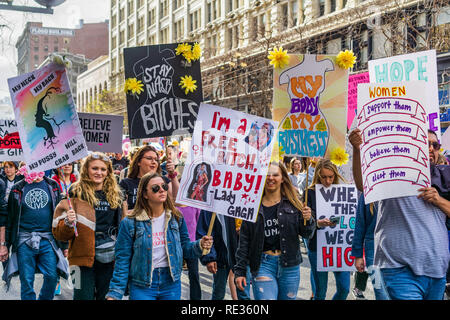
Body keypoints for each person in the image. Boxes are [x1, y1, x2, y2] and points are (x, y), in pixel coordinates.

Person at [349, 128, 450, 300]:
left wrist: (438, 200)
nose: (431, 148)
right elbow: (362, 185)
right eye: (426, 143)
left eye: (436, 145)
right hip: (400, 270)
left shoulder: (444, 179)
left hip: (437, 273)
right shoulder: (393, 172)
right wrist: (357, 150)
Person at [106, 172, 213, 300]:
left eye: (164, 186)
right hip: (142, 285)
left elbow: (185, 248)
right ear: (145, 194)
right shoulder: (130, 223)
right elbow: (122, 260)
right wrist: (115, 293)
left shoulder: (176, 217)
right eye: (155, 188)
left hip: (171, 283)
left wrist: (199, 245)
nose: (162, 190)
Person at [234, 162, 315, 300]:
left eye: (275, 175)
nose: (271, 178)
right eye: (267, 174)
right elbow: (244, 241)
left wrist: (309, 220)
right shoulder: (252, 206)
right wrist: (240, 271)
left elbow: (307, 234)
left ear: (283, 178)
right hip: (263, 264)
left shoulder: (294, 203)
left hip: (290, 265)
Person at [52, 152, 124, 300]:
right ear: (86, 170)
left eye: (103, 169)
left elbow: (121, 226)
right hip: (78, 258)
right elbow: (59, 233)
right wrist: (67, 223)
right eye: (95, 168)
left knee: (106, 297)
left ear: (108, 172)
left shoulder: (116, 193)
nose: (99, 172)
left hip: (109, 257)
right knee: (81, 296)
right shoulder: (74, 191)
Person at [2, 167, 68, 300]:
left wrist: (64, 245)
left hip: (48, 239)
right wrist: (4, 245)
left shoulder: (53, 185)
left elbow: (61, 215)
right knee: (26, 280)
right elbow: (10, 219)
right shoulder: (17, 188)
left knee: (51, 276)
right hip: (24, 240)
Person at [305, 159, 351, 300]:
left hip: (339, 247)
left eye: (331, 177)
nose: (328, 181)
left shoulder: (342, 192)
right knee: (320, 292)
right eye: (324, 177)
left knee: (344, 289)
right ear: (318, 175)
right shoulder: (310, 193)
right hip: (317, 247)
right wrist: (317, 222)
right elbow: (304, 225)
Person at [196, 210, 251, 300]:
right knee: (219, 293)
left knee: (243, 293)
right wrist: (209, 257)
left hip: (243, 256)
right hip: (220, 255)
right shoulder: (214, 200)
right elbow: (205, 229)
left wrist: (245, 232)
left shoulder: (247, 198)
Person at [120, 145, 179, 214]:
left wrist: (172, 174)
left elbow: (177, 202)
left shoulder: (163, 181)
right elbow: (122, 212)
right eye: (149, 158)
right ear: (139, 162)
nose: (153, 162)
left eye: (156, 159)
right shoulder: (126, 183)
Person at [351, 194, 389, 300]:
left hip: (396, 249)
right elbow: (359, 225)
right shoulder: (368, 193)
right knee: (380, 291)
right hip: (372, 250)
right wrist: (358, 255)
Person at [177, 205, 202, 300]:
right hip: (176, 245)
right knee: (175, 275)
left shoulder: (194, 206)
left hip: (191, 246)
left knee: (194, 275)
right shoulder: (172, 209)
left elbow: (199, 223)